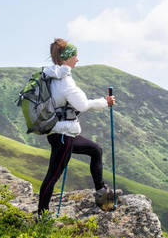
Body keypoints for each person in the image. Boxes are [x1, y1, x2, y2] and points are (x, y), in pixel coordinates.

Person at [36, 38, 116, 215]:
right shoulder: (64, 81)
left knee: (95, 150)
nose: (77, 59)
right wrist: (105, 102)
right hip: (63, 136)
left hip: (62, 133)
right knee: (53, 176)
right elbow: (82, 105)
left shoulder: (52, 77)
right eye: (75, 56)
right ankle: (42, 215)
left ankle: (101, 191)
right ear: (67, 58)